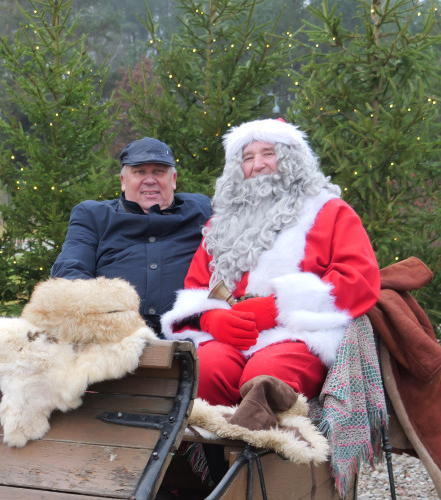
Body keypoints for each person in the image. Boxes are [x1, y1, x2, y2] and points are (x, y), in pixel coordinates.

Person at [160, 118, 381, 419]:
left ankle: (260, 462)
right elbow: (195, 288)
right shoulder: (220, 225)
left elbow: (358, 279)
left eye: (268, 153)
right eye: (248, 158)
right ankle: (208, 463)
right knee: (206, 371)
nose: (258, 165)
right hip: (230, 337)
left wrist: (279, 308)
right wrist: (211, 319)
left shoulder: (330, 211)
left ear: (291, 160)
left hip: (297, 334)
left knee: (266, 377)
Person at [50, 137, 211, 335]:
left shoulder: (202, 210)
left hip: (190, 337)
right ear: (123, 181)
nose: (150, 180)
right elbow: (70, 270)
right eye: (139, 172)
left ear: (174, 180)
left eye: (159, 171)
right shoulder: (93, 215)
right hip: (114, 337)